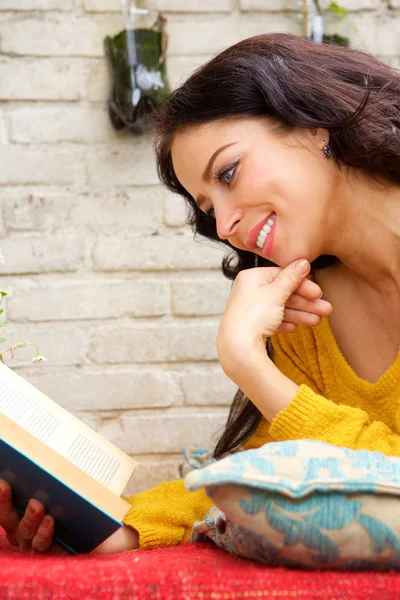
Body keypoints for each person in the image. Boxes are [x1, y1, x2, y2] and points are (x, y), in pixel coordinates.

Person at [0, 32, 399, 555]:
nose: (227, 224)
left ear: (312, 122)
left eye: (229, 173)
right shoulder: (308, 312)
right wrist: (122, 532)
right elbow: (266, 472)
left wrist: (248, 364)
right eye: (209, 209)